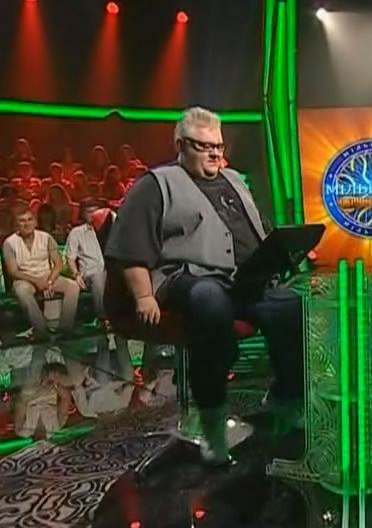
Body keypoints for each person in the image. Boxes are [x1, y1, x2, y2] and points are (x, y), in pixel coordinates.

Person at [104, 106, 304, 465]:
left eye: (218, 146)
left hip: (243, 279)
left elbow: (260, 229)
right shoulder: (156, 184)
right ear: (181, 145)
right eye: (204, 146)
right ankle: (213, 425)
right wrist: (144, 295)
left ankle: (285, 398)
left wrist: (284, 252)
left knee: (292, 304)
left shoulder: (235, 180)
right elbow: (130, 246)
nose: (215, 154)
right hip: (186, 277)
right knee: (210, 301)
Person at [67, 201, 133, 383]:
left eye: (97, 211)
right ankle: (104, 318)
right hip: (90, 272)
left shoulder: (112, 229)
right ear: (82, 214)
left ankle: (124, 317)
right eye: (89, 211)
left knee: (123, 276)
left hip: (111, 270)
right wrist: (75, 274)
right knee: (98, 277)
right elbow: (70, 257)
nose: (93, 215)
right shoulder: (77, 233)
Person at [2, 207, 80, 341]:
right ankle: (40, 331)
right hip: (24, 278)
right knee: (22, 291)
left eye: (29, 220)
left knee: (73, 286)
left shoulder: (46, 238)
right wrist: (35, 281)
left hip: (47, 275)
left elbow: (58, 263)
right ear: (16, 225)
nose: (26, 224)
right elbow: (13, 271)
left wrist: (50, 281)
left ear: (35, 222)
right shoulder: (9, 243)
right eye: (22, 221)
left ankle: (66, 329)